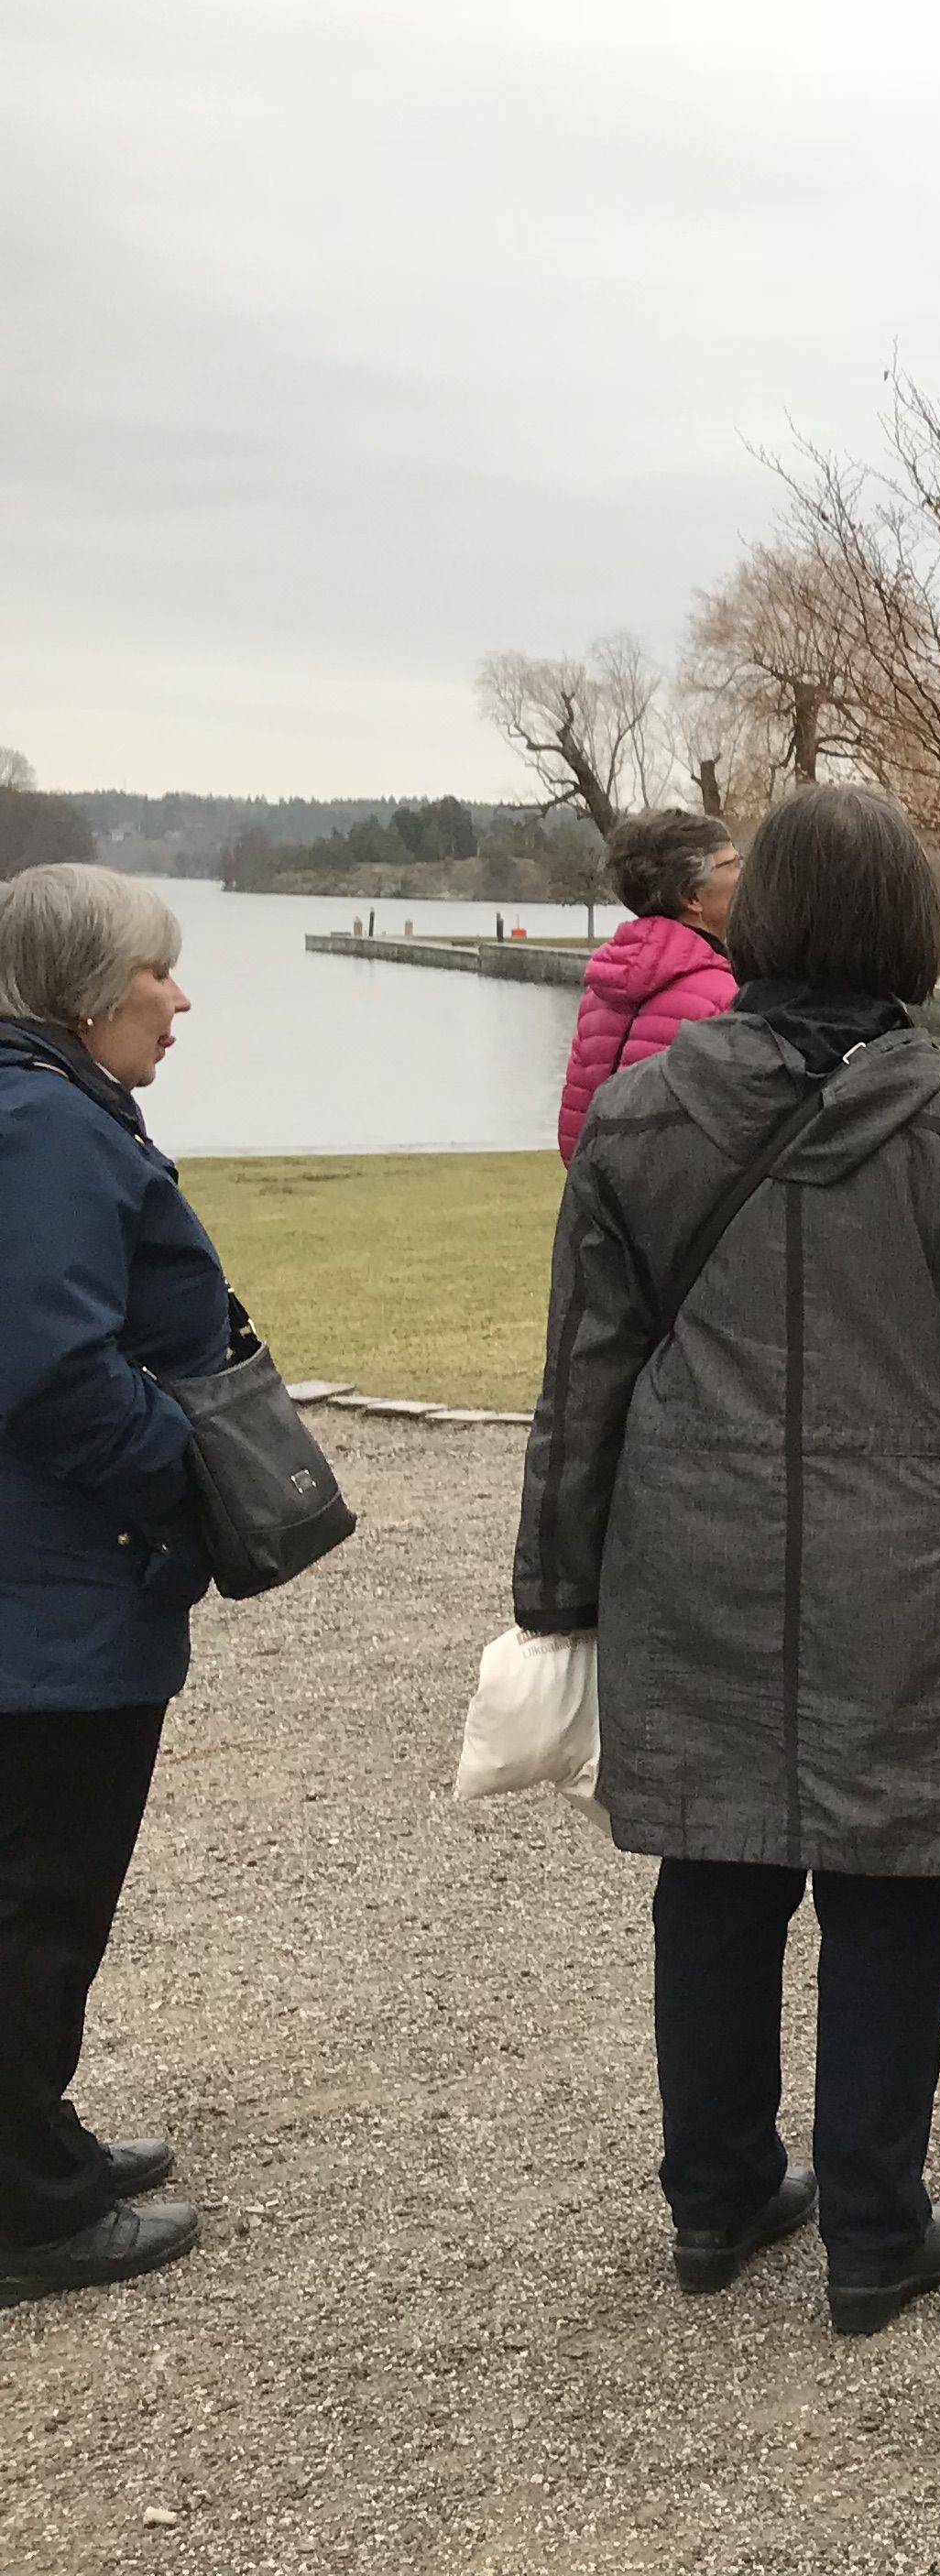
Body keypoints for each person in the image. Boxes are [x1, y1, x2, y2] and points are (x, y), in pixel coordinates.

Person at [515, 784, 940, 2338]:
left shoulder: (646, 1113)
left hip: (696, 1542)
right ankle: (871, 2221)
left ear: (765, 911)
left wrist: (560, 1578)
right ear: (907, 925)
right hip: (914, 1553)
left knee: (714, 1872)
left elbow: (586, 1370)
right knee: (888, 1881)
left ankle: (718, 2194)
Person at [0, 867, 217, 2306]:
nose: (179, 1000)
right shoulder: (43, 1131)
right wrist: (192, 1474)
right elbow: (57, 1369)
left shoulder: (41, 1112)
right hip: (53, 1594)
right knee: (40, 1890)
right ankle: (28, 2212)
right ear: (91, 996)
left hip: (53, 1579)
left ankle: (35, 2139)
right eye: (160, 975)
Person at [557, 808, 741, 1163]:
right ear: (693, 896)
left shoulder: (600, 991)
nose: (744, 876)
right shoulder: (726, 995)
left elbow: (574, 1132)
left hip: (598, 1201)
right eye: (733, 864)